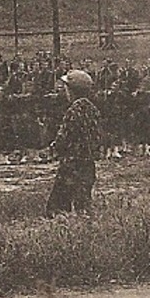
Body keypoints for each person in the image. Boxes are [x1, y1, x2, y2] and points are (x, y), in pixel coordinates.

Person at [47, 69, 104, 214]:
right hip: (88, 163)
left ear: (71, 90)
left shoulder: (73, 110)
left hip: (71, 164)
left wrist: (54, 148)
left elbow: (64, 137)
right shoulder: (93, 109)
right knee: (83, 203)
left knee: (57, 206)